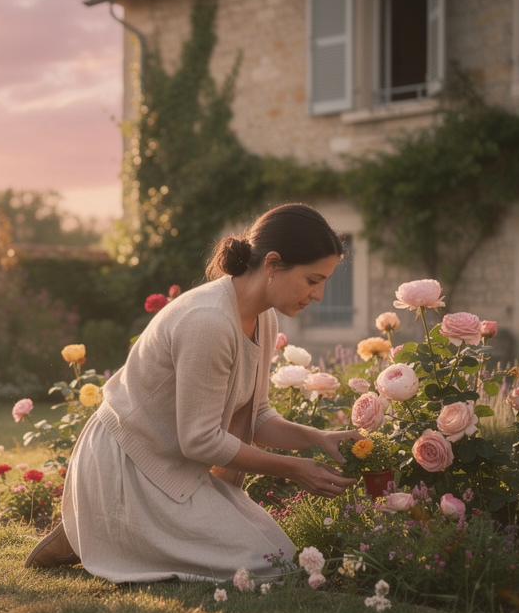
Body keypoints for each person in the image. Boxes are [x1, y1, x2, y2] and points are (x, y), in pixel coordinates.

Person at [27, 204, 362, 582]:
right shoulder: (208, 321)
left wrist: (320, 439)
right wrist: (294, 469)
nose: (318, 295)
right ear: (272, 264)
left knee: (277, 555)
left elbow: (258, 415)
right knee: (270, 563)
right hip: (131, 462)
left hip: (174, 464)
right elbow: (200, 441)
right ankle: (102, 525)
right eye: (312, 280)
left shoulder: (263, 316)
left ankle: (100, 530)